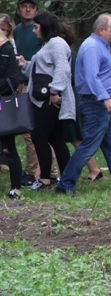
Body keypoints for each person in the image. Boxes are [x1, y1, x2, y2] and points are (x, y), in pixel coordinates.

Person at [55, 14, 111, 195]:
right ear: (101, 29)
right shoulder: (92, 47)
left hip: (102, 104)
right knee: (89, 146)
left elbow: (101, 73)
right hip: (96, 104)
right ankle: (65, 184)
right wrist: (106, 98)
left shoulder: (101, 45)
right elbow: (92, 77)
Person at [18, 11, 74, 190]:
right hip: (42, 98)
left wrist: (55, 90)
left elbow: (62, 68)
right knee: (56, 138)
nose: (34, 31)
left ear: (45, 26)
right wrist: (25, 65)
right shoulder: (47, 45)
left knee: (39, 136)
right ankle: (65, 178)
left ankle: (45, 179)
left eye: (36, 27)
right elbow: (40, 71)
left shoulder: (57, 43)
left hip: (49, 100)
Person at [59, 22, 103, 181]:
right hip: (71, 96)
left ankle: (94, 170)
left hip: (71, 97)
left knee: (75, 136)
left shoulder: (68, 55)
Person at [13, 0, 47, 187]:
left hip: (38, 82)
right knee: (27, 129)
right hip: (22, 83)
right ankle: (34, 169)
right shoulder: (17, 31)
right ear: (18, 10)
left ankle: (37, 170)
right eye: (24, 6)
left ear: (36, 9)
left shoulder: (40, 30)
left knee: (37, 129)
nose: (27, 10)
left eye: (31, 7)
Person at [0, 29, 23, 199]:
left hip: (4, 106)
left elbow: (13, 81)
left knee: (8, 147)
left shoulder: (7, 50)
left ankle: (16, 187)